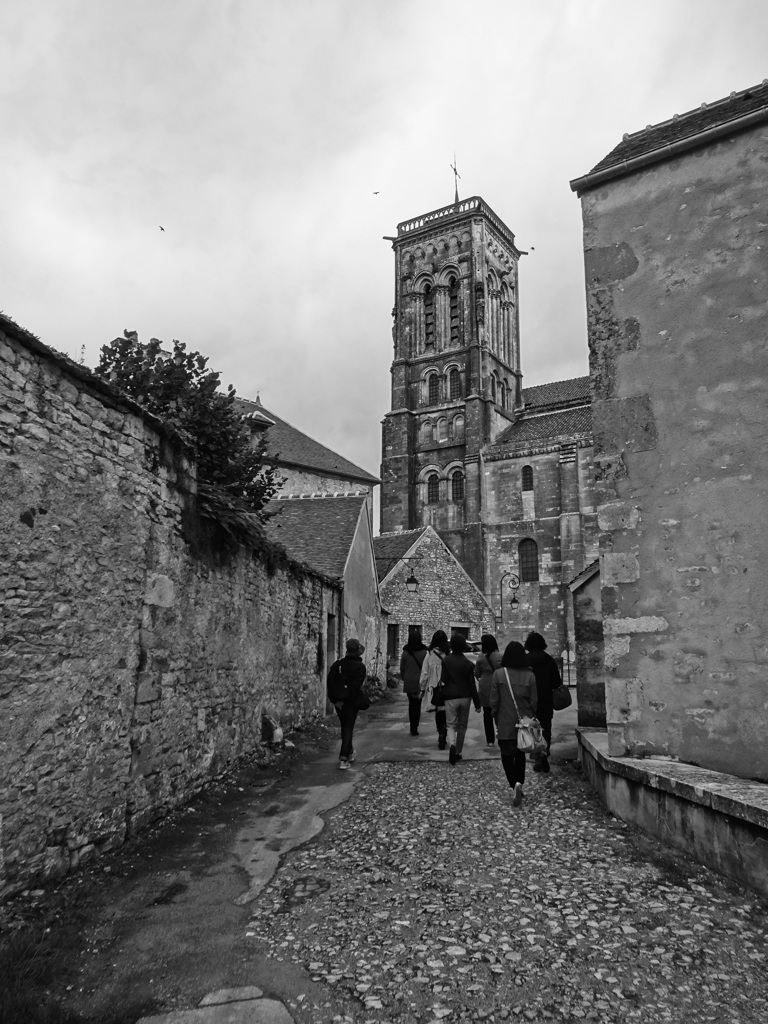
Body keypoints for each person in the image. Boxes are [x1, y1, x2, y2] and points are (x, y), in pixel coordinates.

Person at [490, 640, 537, 806]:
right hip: (523, 722)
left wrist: (495, 716)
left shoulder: (499, 674)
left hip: (505, 720)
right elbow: (534, 701)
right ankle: (520, 782)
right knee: (520, 753)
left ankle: (514, 783)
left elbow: (494, 701)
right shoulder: (530, 675)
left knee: (506, 754)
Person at [524, 631, 562, 773]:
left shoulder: (525, 660)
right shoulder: (549, 660)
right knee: (546, 727)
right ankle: (545, 752)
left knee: (533, 728)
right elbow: (556, 682)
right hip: (546, 699)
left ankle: (537, 758)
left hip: (529, 700)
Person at [327, 638, 367, 770]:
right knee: (348, 728)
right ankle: (344, 758)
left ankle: (349, 752)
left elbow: (330, 683)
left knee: (345, 727)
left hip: (339, 703)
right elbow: (355, 687)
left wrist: (335, 700)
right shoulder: (360, 667)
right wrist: (347, 698)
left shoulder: (337, 665)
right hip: (351, 702)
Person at [440, 634, 480, 765]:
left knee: (451, 724)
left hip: (451, 696)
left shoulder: (446, 661)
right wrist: (477, 702)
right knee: (462, 726)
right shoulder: (468, 663)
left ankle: (451, 744)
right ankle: (458, 752)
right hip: (465, 696)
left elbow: (444, 679)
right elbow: (472, 684)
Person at [419, 629, 450, 749]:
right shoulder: (448, 653)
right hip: (446, 685)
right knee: (446, 711)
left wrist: (422, 688)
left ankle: (440, 732)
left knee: (438, 711)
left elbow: (424, 673)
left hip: (433, 687)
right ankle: (445, 731)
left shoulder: (429, 654)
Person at [474, 633, 502, 745]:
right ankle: (501, 736)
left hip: (485, 686)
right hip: (498, 685)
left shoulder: (480, 657)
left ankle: (490, 740)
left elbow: (477, 673)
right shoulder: (500, 656)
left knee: (487, 714)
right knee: (499, 713)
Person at [400, 627, 428, 735]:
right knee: (418, 705)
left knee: (412, 704)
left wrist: (403, 677)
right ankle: (415, 726)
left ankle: (412, 726)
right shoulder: (424, 652)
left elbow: (402, 667)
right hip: (420, 682)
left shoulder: (406, 652)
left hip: (409, 681)